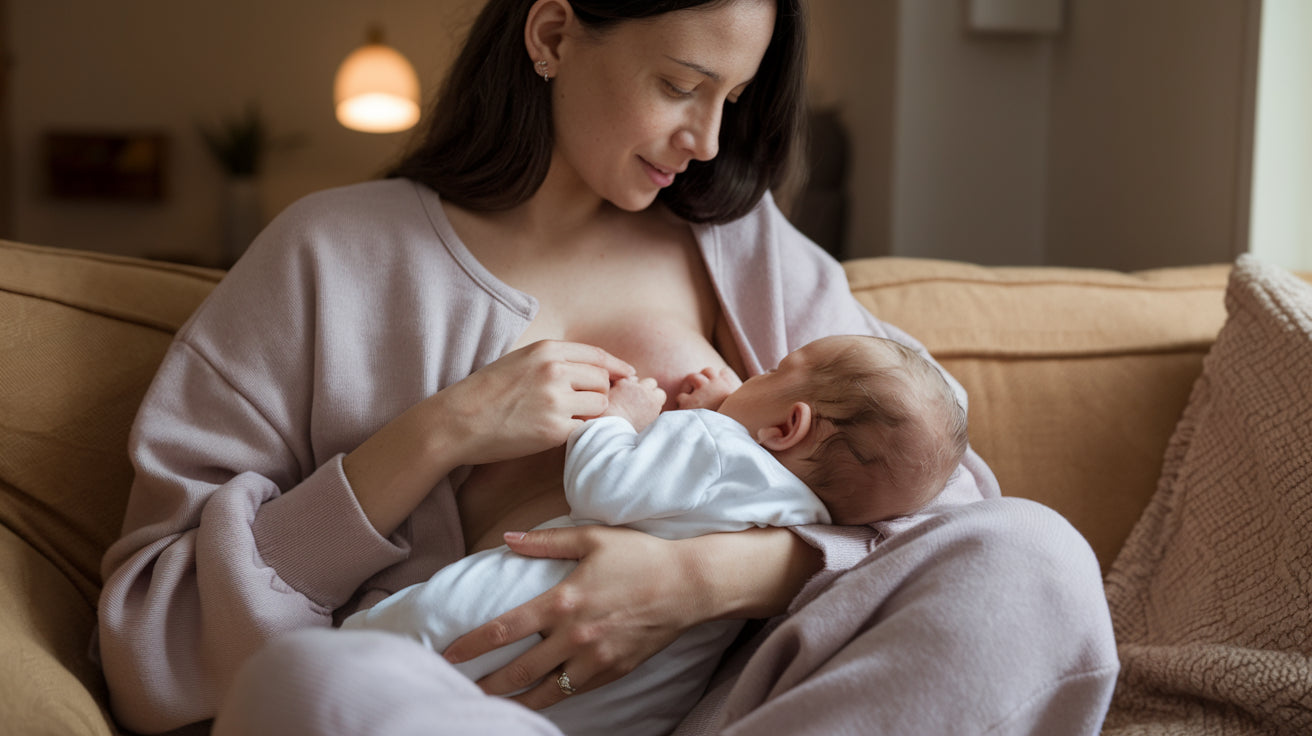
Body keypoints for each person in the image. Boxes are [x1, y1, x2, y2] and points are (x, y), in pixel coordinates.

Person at [95, 0, 1118, 734]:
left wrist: (701, 579)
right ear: (551, 34)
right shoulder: (328, 256)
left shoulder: (746, 249)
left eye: (733, 97)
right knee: (317, 690)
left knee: (1034, 559)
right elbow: (155, 635)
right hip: (447, 706)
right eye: (680, 85)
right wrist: (433, 435)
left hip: (727, 710)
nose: (708, 139)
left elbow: (937, 499)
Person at [338, 334, 967, 736]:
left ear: (787, 426)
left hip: (521, 604)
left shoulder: (714, 442)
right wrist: (740, 406)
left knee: (406, 637)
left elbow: (607, 487)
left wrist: (621, 418)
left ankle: (352, 658)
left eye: (774, 367)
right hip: (638, 706)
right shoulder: (814, 515)